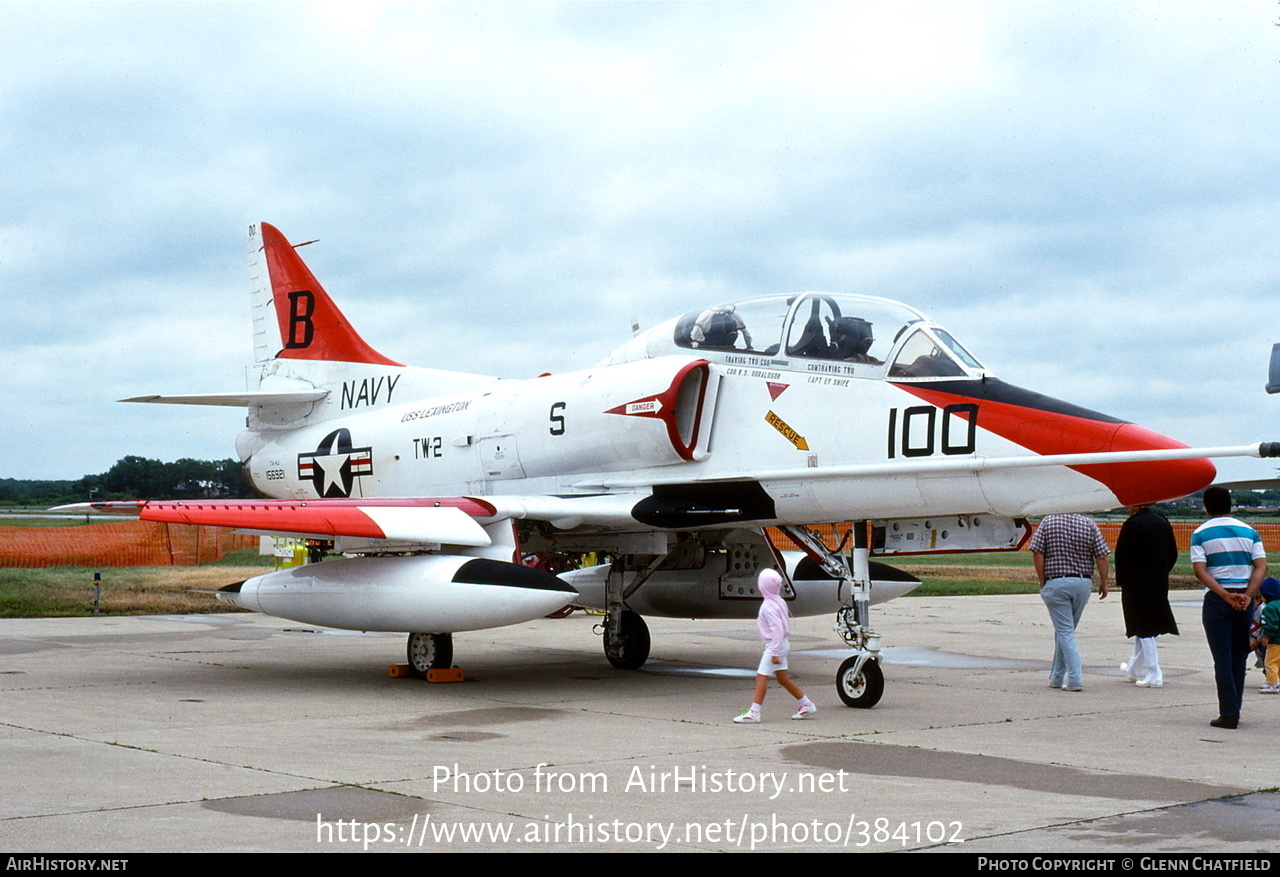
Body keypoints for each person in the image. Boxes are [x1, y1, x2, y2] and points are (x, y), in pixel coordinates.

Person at [1191, 487, 1267, 729]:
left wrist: (1224, 595)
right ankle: (1235, 708)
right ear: (1231, 505)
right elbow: (1261, 566)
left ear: (1206, 507)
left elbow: (1200, 570)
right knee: (1237, 657)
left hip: (1218, 601)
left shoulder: (1200, 533)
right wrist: (1247, 595)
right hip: (1243, 602)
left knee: (1221, 659)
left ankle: (1228, 712)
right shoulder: (1249, 531)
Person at [1029, 513, 1110, 692]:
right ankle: (1057, 676)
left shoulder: (1048, 522)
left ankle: (1075, 677)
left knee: (1065, 632)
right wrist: (1104, 582)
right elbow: (1102, 556)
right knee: (1065, 631)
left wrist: (1042, 580)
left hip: (1056, 582)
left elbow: (1037, 552)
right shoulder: (1088, 523)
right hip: (1082, 583)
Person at [733, 569, 817, 723]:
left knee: (761, 677)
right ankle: (806, 704)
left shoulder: (768, 606)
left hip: (775, 645)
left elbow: (777, 629)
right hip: (781, 644)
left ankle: (754, 712)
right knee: (783, 678)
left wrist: (775, 652)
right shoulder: (778, 601)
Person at [1115, 505, 1179, 687]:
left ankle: (1153, 671)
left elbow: (1122, 555)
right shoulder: (1162, 521)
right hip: (1158, 581)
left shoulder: (1132, 524)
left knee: (1143, 628)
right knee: (1145, 626)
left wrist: (1122, 580)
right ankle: (1134, 668)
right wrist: (1161, 571)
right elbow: (1172, 553)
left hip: (1135, 583)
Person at [1256, 577, 1280, 694]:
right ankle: (1276, 681)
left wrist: (1266, 636)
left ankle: (1272, 683)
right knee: (1278, 662)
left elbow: (1271, 625)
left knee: (1270, 663)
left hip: (1276, 641)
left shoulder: (1269, 608)